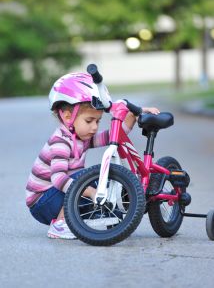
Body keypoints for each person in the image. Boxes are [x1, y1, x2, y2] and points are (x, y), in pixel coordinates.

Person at [26, 72, 160, 240]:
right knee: (88, 177)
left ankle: (94, 218)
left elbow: (113, 137)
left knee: (99, 181)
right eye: (89, 121)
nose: (95, 127)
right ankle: (61, 224)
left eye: (97, 121)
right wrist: (90, 191)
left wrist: (132, 116)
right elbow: (59, 179)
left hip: (61, 194)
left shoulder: (82, 137)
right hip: (42, 201)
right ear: (68, 116)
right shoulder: (61, 141)